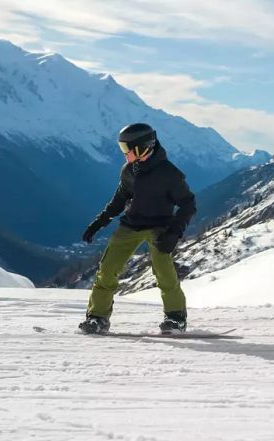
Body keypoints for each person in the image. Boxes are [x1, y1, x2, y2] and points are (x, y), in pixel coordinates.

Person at [79, 123, 196, 334]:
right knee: (107, 270)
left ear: (143, 148)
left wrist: (173, 233)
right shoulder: (128, 171)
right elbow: (119, 199)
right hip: (131, 225)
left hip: (160, 227)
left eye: (127, 149)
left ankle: (176, 318)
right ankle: (97, 317)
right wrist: (99, 222)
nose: (124, 154)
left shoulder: (170, 174)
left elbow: (188, 204)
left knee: (164, 272)